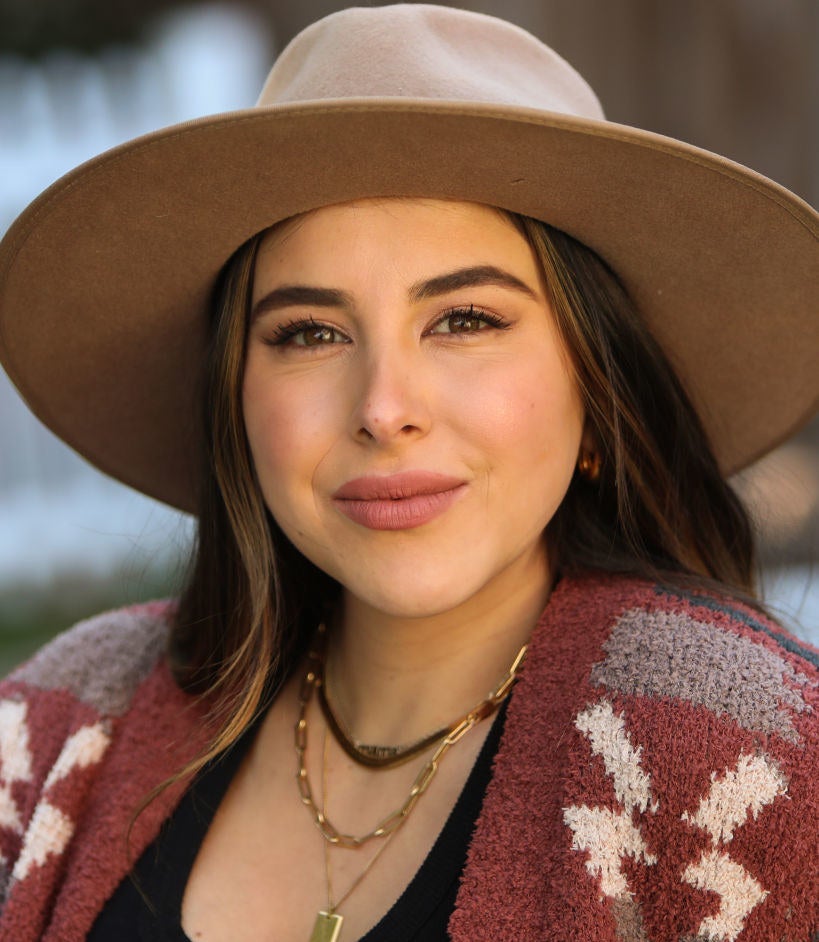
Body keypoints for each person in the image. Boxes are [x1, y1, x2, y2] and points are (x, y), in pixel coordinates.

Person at [0, 5, 817, 941]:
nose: (383, 407)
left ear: (598, 390)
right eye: (309, 333)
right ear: (236, 401)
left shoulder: (745, 772)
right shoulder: (51, 732)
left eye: (465, 319)